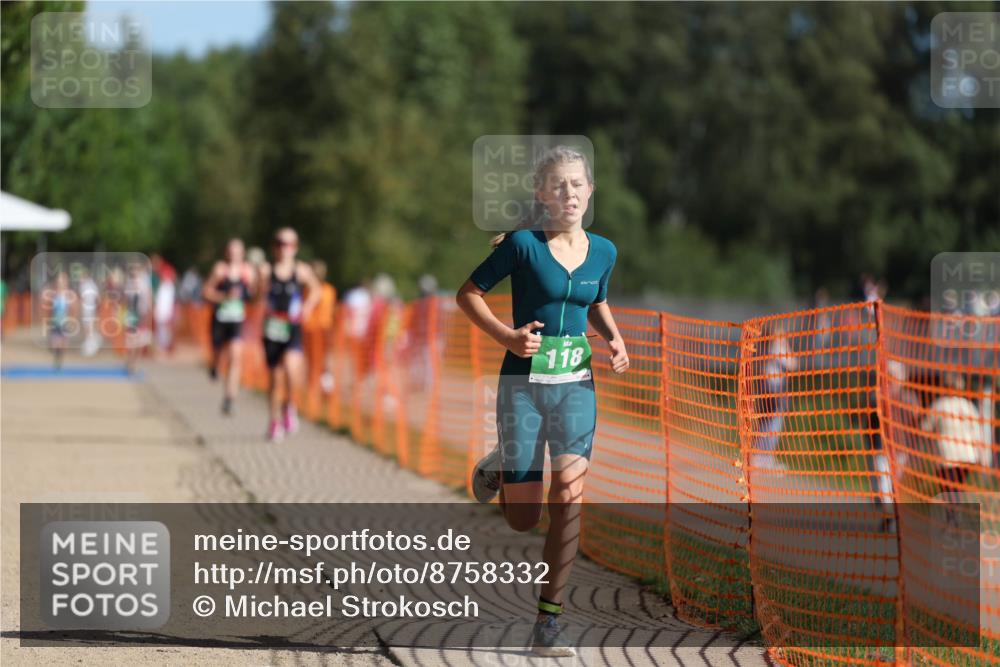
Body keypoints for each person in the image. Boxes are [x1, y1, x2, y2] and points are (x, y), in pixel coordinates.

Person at [456, 146, 629, 657]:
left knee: (569, 497)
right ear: (541, 193)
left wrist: (615, 339)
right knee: (523, 519)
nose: (569, 193)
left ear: (590, 191)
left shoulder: (605, 251)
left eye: (577, 184)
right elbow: (467, 295)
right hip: (523, 388)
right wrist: (507, 337)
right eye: (558, 185)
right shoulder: (522, 246)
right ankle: (506, 461)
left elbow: (594, 300)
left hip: (576, 386)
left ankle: (548, 621)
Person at [258, 228, 321, 442]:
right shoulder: (266, 270)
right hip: (272, 328)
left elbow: (316, 289)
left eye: (289, 244)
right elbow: (255, 296)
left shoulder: (301, 270)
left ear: (295, 248)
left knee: (293, 371)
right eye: (280, 243)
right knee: (275, 380)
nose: (285, 248)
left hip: (292, 327)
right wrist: (259, 288)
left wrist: (308, 307)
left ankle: (290, 406)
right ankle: (274, 421)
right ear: (274, 247)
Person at [203, 239, 257, 415]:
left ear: (242, 253)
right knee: (218, 354)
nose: (234, 255)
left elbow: (255, 293)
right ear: (227, 253)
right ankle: (215, 366)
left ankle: (229, 398)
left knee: (235, 356)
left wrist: (253, 287)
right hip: (220, 319)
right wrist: (224, 296)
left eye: (238, 252)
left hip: (236, 320)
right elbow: (206, 292)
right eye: (231, 251)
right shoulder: (220, 270)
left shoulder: (247, 271)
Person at [921, 372, 985, 504]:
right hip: (967, 457)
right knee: (956, 489)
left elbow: (925, 428)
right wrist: (980, 456)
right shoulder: (968, 406)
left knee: (948, 490)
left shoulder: (939, 405)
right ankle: (954, 517)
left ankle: (953, 518)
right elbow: (978, 433)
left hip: (946, 457)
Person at [751, 321, 798, 471]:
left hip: (768, 386)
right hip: (774, 388)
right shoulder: (776, 347)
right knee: (773, 422)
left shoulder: (764, 346)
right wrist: (784, 346)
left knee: (766, 421)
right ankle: (762, 457)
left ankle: (760, 456)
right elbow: (792, 364)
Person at [302, 259, 337, 399]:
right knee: (317, 361)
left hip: (320, 329)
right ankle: (317, 389)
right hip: (316, 329)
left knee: (320, 361)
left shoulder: (321, 290)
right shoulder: (327, 290)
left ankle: (322, 389)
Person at [44, 271, 75, 370]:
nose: (61, 283)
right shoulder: (53, 294)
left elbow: (73, 309)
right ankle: (56, 356)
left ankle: (59, 361)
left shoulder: (69, 295)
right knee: (54, 345)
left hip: (64, 323)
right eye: (59, 281)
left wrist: (71, 320)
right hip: (55, 322)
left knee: (63, 345)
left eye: (63, 281)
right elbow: (49, 309)